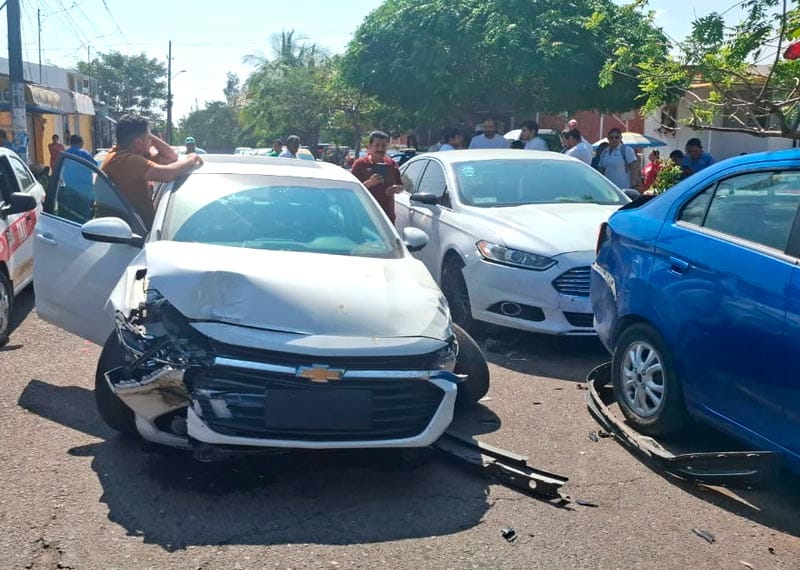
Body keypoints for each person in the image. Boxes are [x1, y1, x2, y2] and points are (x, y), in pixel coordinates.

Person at [101, 114, 203, 230]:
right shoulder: (125, 160)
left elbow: (171, 157)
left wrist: (146, 135)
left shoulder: (129, 154)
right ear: (138, 142)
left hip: (133, 229)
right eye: (148, 139)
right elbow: (167, 174)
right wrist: (192, 159)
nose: (151, 142)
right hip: (126, 234)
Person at [351, 130, 403, 222]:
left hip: (387, 216)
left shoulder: (392, 164)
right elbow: (351, 190)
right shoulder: (360, 164)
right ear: (370, 146)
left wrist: (397, 189)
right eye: (377, 145)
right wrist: (369, 183)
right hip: (365, 216)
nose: (380, 149)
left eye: (383, 145)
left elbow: (401, 186)